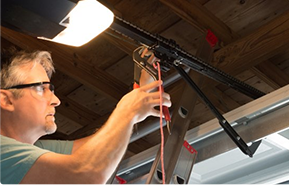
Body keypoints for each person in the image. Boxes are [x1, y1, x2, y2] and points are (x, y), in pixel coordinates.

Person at [0, 47, 171, 185]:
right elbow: (86, 174)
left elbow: (99, 148)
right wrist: (127, 112)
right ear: (6, 100)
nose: (56, 100)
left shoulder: (37, 148)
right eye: (40, 88)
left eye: (51, 89)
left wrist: (141, 92)